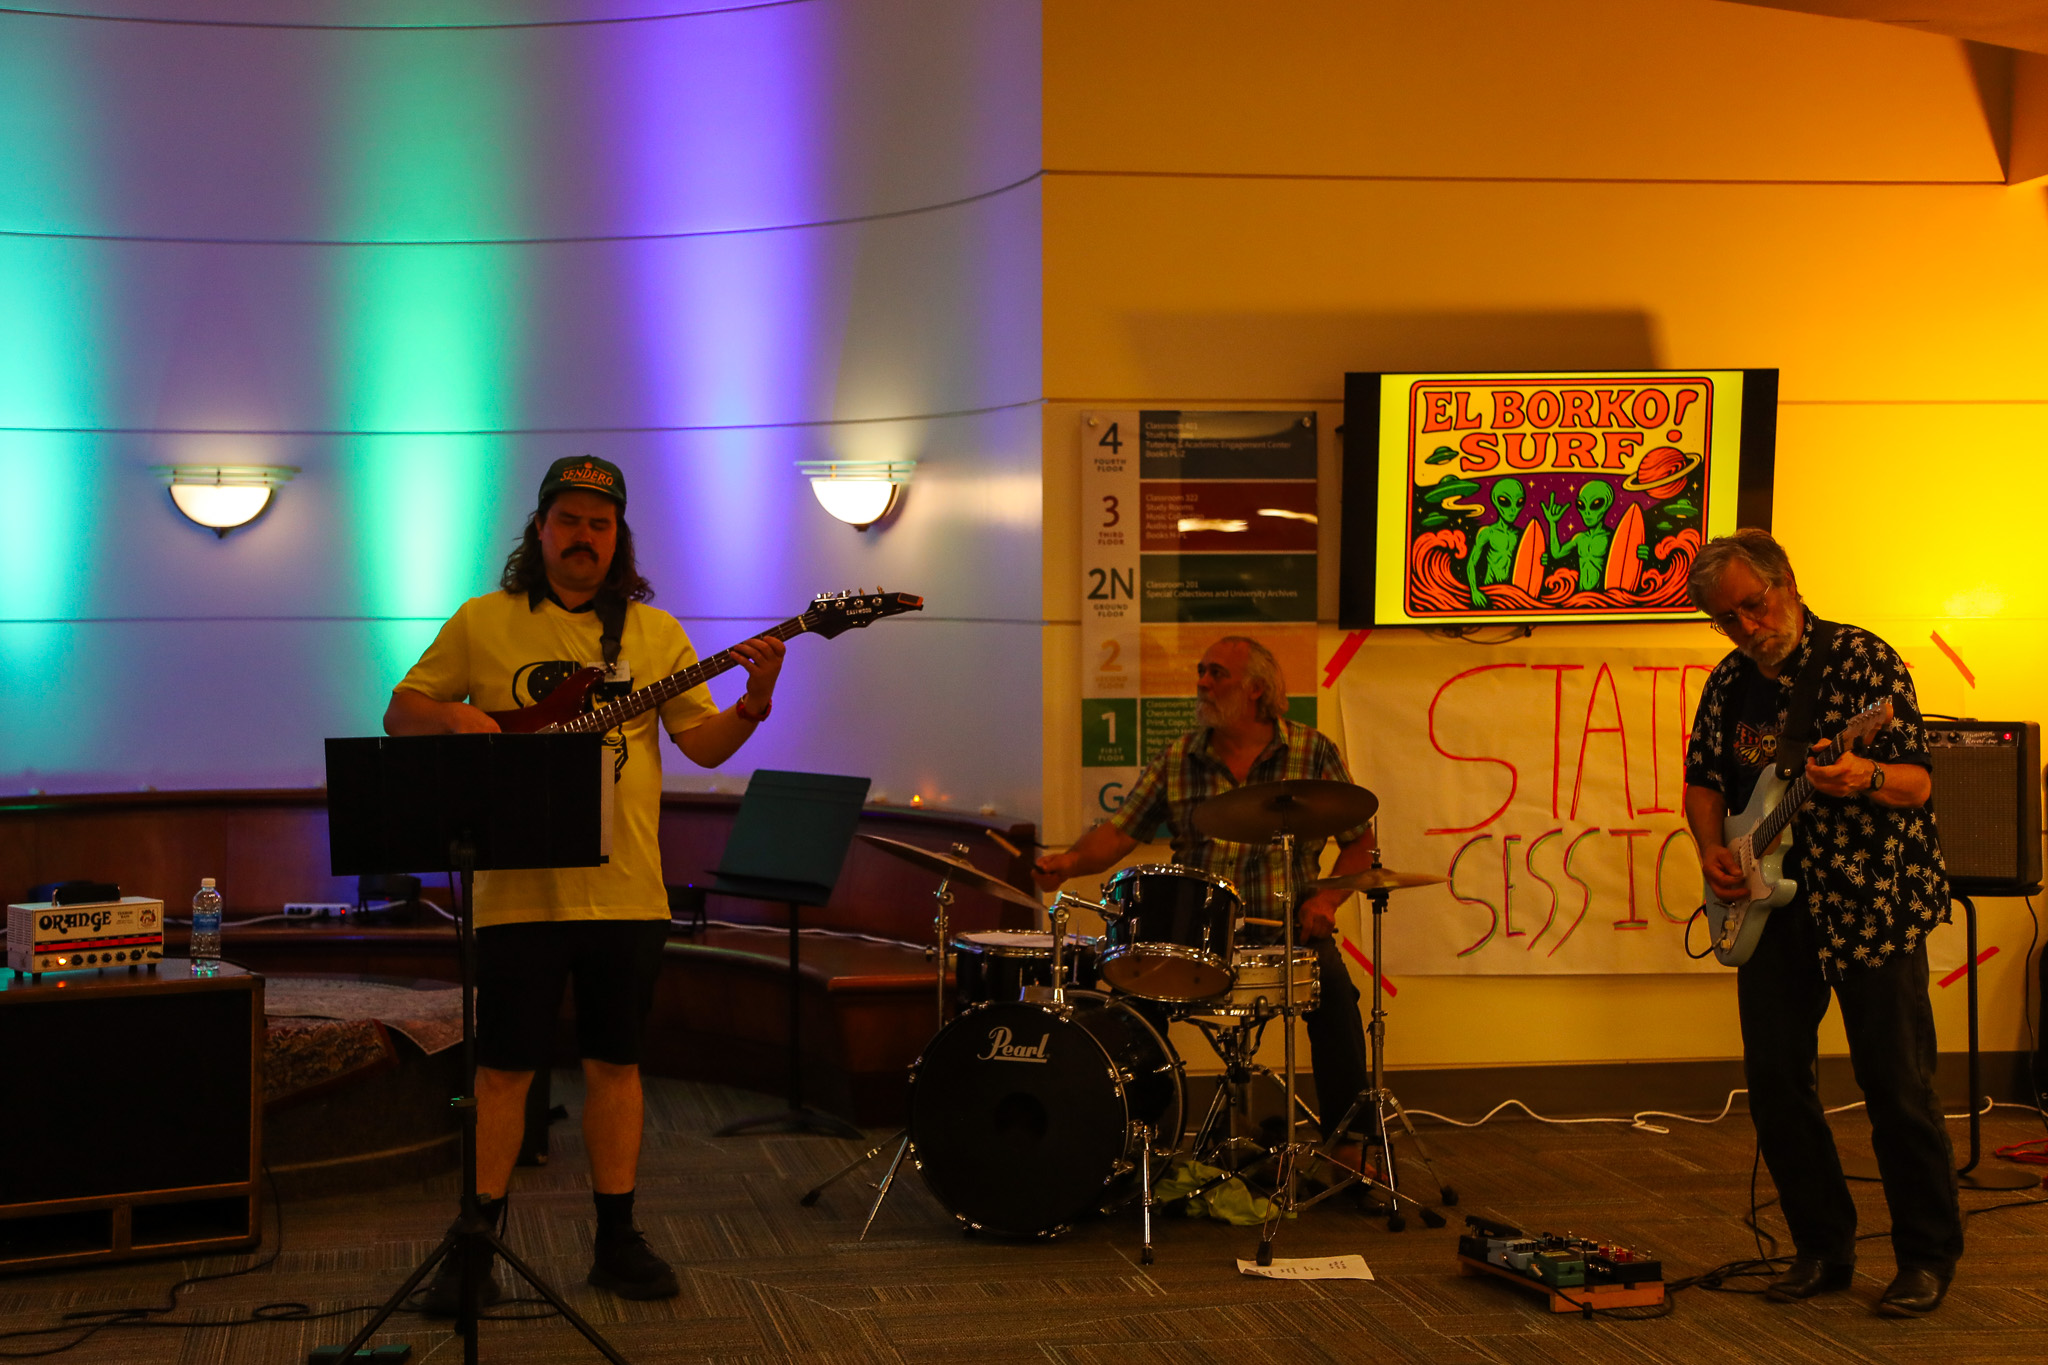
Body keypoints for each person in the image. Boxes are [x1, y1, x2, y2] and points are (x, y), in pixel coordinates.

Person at [384, 455, 785, 1312]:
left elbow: (702, 746)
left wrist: (752, 704)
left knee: (616, 1065)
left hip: (629, 892)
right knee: (502, 1074)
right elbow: (400, 712)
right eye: (568, 521)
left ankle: (617, 1241)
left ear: (618, 537)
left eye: (600, 524)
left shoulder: (654, 635)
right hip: (517, 894)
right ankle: (475, 1247)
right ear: (539, 531)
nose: (584, 537)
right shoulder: (483, 622)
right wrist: (455, 713)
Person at [1683, 528, 1959, 1317]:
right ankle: (1821, 1246)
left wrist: (1861, 773)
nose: (1744, 627)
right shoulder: (1730, 684)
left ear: (1787, 583)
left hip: (1873, 901)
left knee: (1896, 1085)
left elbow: (1916, 782)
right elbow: (1704, 782)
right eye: (1725, 619)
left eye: (1752, 605)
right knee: (1775, 1085)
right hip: (1774, 911)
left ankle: (1926, 1256)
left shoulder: (1864, 663)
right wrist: (1712, 849)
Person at [1034, 635, 1380, 1158]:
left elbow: (1361, 844)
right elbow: (1119, 834)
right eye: (1201, 671)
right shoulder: (1178, 758)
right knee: (1126, 1005)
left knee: (1334, 991)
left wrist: (1325, 903)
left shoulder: (1311, 751)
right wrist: (1067, 862)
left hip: (1287, 929)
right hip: (1193, 932)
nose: (1202, 683)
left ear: (1257, 690)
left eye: (1216, 674)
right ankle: (1130, 1142)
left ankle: (1351, 1147)